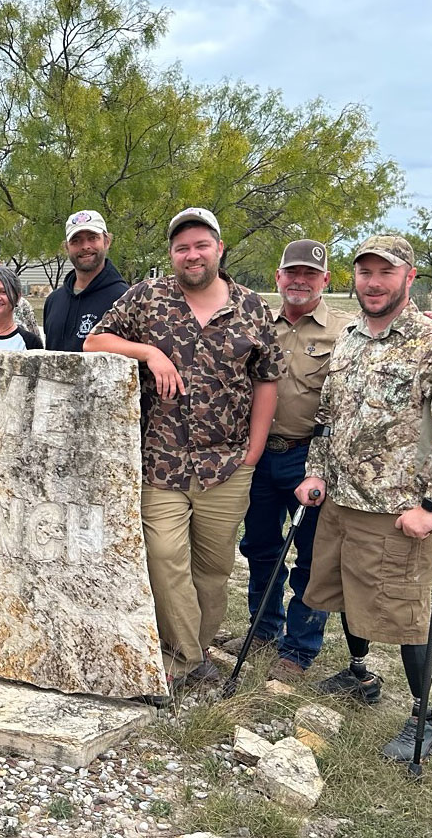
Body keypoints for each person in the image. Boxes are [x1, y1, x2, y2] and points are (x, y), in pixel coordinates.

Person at [295, 234, 432, 763]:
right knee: (347, 597)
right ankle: (359, 674)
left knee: (403, 612)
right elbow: (328, 418)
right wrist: (315, 473)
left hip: (398, 511)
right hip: (341, 501)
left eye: (386, 273)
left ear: (409, 278)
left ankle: (426, 717)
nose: (373, 283)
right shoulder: (350, 339)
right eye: (365, 272)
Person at [84, 207, 284, 691]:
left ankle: (190, 650)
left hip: (227, 465)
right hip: (161, 461)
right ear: (171, 254)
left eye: (200, 245)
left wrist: (254, 452)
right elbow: (95, 342)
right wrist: (149, 352)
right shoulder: (148, 297)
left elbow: (267, 379)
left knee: (212, 571)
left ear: (219, 248)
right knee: (164, 557)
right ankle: (188, 658)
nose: (191, 255)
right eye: (181, 247)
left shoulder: (252, 307)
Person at [231, 239, 351, 680]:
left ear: (325, 280)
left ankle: (298, 650)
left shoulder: (346, 331)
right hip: (260, 451)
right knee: (260, 547)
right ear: (278, 276)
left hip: (311, 456)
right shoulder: (256, 321)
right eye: (292, 273)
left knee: (311, 557)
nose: (300, 281)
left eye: (310, 274)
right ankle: (263, 629)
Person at [43, 210, 129, 352]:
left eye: (92, 238)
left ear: (107, 241)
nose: (85, 246)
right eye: (76, 241)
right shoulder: (53, 300)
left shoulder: (124, 298)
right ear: (66, 247)